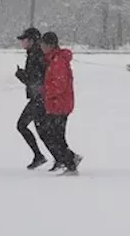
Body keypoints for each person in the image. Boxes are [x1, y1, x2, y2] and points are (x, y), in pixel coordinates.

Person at [40, 32, 82, 176]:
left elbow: (59, 84)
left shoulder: (58, 61)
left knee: (53, 135)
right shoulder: (54, 59)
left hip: (60, 104)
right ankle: (70, 159)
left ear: (50, 45)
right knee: (56, 135)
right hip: (58, 104)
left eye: (43, 44)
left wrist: (45, 91)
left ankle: (70, 163)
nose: (41, 47)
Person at [14, 27, 49, 170]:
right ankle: (57, 157)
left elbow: (35, 80)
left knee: (23, 126)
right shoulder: (34, 53)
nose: (22, 42)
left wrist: (21, 75)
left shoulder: (35, 55)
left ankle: (44, 156)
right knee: (43, 131)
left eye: (24, 40)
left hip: (39, 99)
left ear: (32, 40)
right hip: (39, 97)